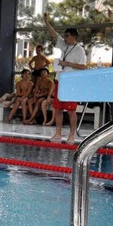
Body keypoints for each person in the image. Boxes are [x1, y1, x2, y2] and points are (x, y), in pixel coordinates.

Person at [43, 13, 87, 144]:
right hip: (59, 81)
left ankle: (72, 135)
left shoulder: (80, 50)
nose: (65, 38)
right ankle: (58, 133)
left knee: (71, 110)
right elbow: (54, 35)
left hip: (71, 83)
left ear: (74, 37)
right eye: (65, 36)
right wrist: (47, 23)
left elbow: (83, 67)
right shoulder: (64, 45)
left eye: (67, 36)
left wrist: (67, 64)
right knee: (58, 108)